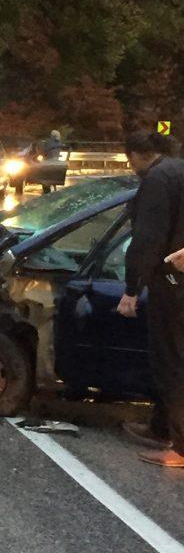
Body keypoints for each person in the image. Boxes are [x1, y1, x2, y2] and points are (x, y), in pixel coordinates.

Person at [117, 130, 184, 467]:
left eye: (131, 159)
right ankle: (161, 428)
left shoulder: (158, 179)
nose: (131, 167)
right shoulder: (180, 171)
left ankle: (180, 449)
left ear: (141, 154)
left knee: (170, 362)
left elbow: (146, 239)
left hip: (172, 283)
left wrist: (131, 288)